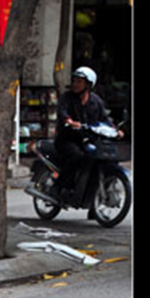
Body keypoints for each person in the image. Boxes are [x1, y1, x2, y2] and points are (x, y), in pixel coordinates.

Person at [54, 66, 118, 201]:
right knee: (76, 156)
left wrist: (115, 130)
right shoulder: (67, 97)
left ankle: (91, 195)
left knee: (105, 157)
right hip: (67, 139)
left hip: (88, 139)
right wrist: (69, 121)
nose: (75, 84)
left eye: (79, 82)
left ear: (89, 85)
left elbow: (104, 118)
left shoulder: (96, 101)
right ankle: (61, 187)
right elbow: (62, 111)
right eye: (74, 81)